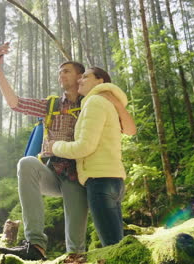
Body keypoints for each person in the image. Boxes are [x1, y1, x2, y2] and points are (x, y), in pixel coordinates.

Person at [0, 42, 89, 260]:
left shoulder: (92, 104)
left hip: (79, 176)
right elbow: (15, 103)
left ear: (80, 76)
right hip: (52, 172)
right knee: (26, 163)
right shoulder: (51, 105)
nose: (61, 75)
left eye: (66, 71)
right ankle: (35, 244)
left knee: (76, 248)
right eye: (59, 72)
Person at [45, 67, 136, 247]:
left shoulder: (94, 102)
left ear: (100, 81)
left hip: (100, 181)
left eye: (85, 77)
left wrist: (54, 147)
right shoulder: (104, 102)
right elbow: (131, 131)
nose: (80, 80)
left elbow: (84, 147)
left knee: (112, 249)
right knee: (118, 245)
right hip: (114, 180)